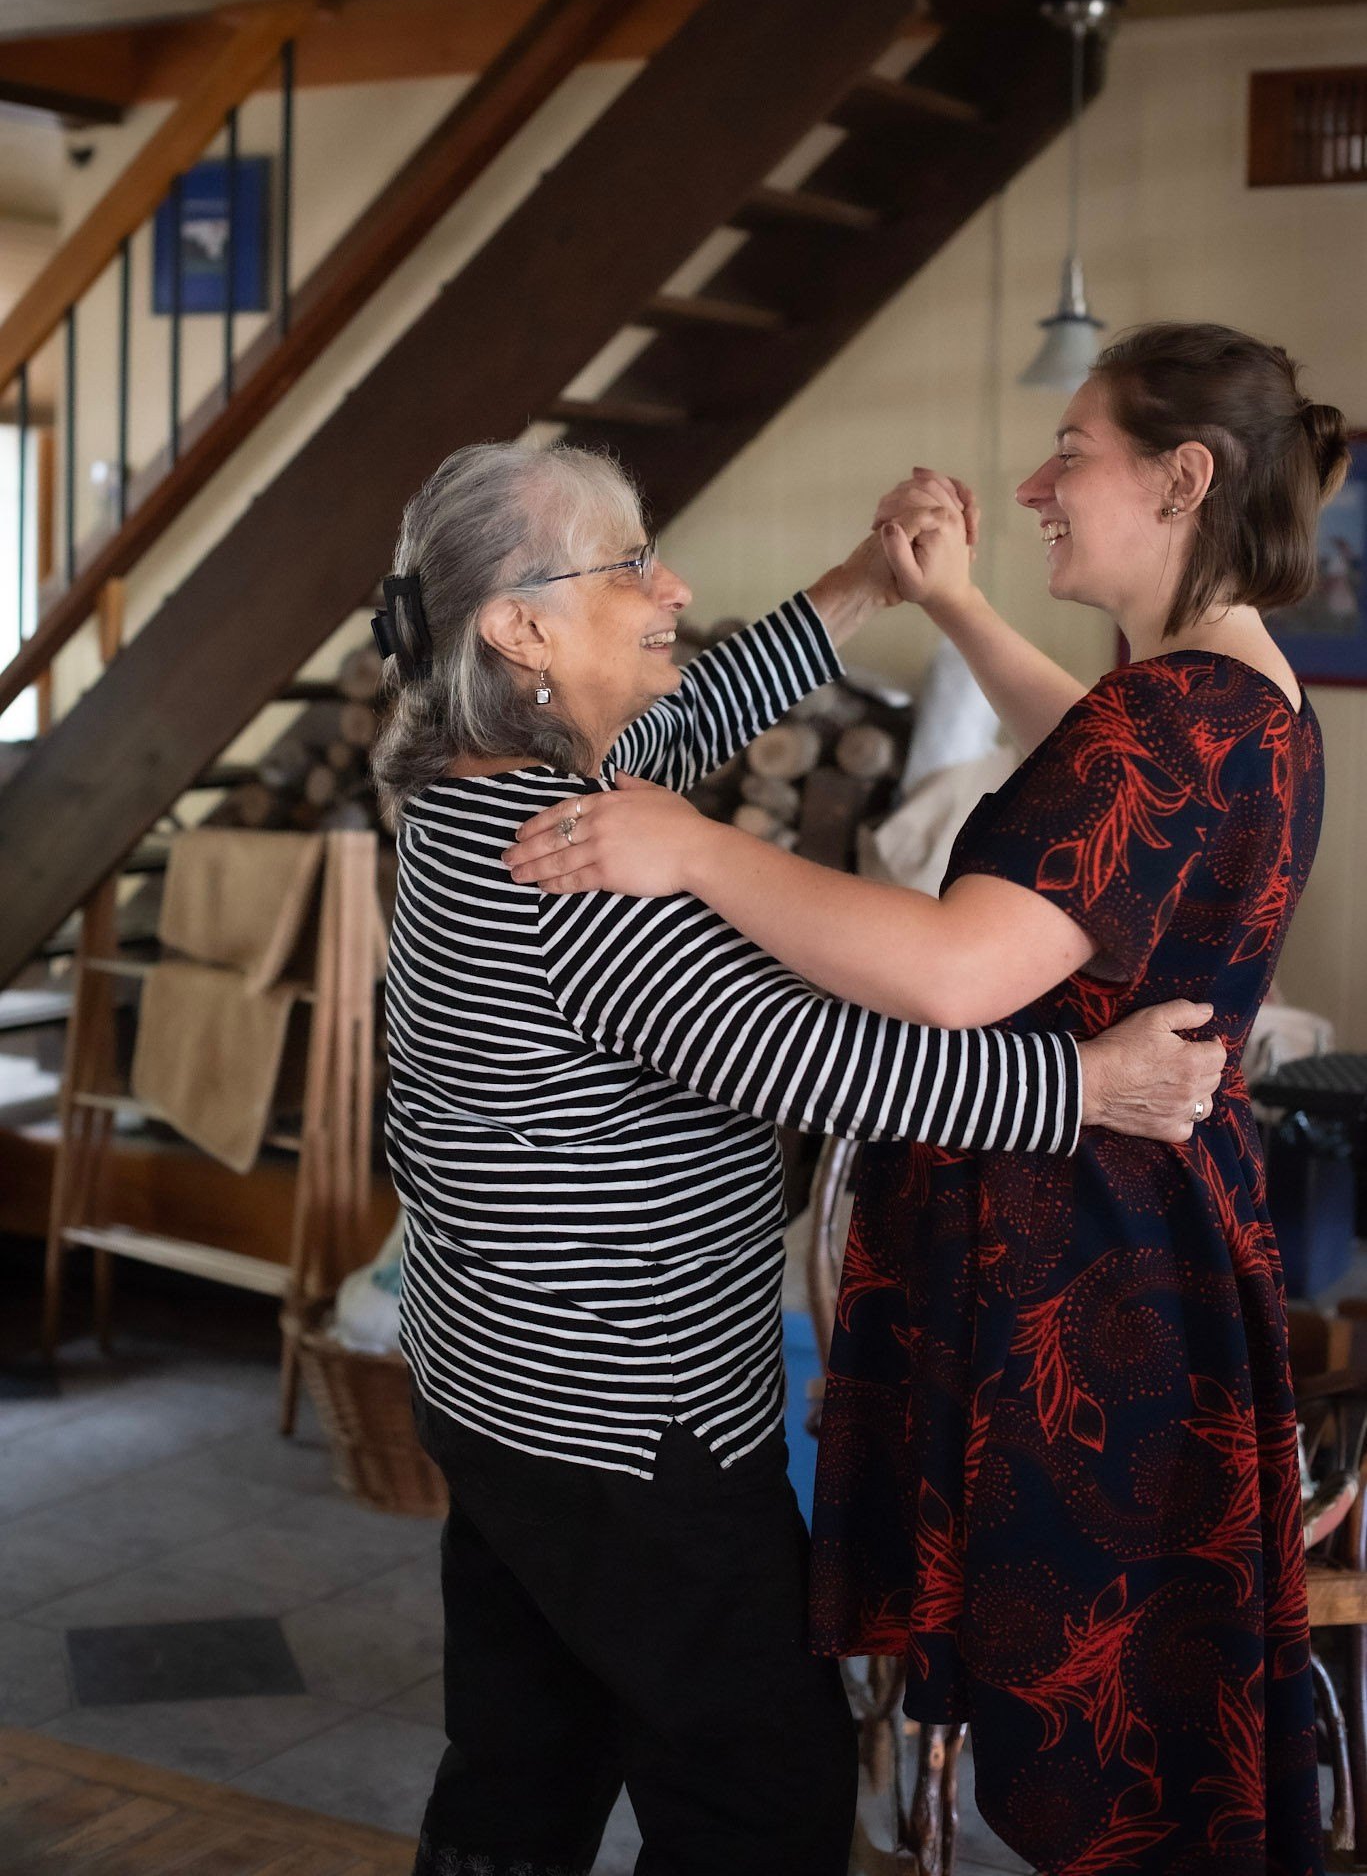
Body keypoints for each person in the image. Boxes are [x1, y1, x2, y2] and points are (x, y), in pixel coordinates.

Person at [507, 323, 1350, 1875]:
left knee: (1103, 1751)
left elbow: (957, 974)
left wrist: (695, 849)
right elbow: (1084, 761)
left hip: (1085, 1278)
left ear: (1183, 479)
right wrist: (950, 600)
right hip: (1118, 1238)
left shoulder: (1177, 715)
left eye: (1073, 452)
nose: (1035, 481)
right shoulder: (1217, 692)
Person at [370, 438, 1221, 1876]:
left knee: (525, 1764)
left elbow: (687, 716)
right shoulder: (572, 876)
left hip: (498, 1384)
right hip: (631, 1422)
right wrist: (1085, 1083)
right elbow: (833, 1061)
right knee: (761, 1795)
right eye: (630, 561)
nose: (674, 583)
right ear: (519, 630)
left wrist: (860, 586)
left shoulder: (481, 796)